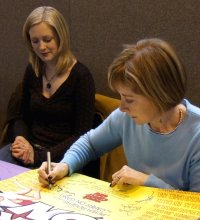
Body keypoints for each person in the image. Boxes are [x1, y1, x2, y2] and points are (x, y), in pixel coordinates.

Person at [38, 38, 200, 192]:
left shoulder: (196, 134)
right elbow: (89, 144)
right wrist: (65, 165)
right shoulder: (127, 118)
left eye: (129, 100)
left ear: (158, 95)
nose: (122, 107)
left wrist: (146, 181)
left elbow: (196, 206)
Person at [0, 6, 95, 168]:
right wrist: (21, 139)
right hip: (29, 149)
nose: (41, 47)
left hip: (62, 158)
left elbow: (81, 135)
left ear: (61, 37)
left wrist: (39, 157)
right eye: (35, 41)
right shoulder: (33, 70)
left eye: (47, 39)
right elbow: (21, 116)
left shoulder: (81, 76)